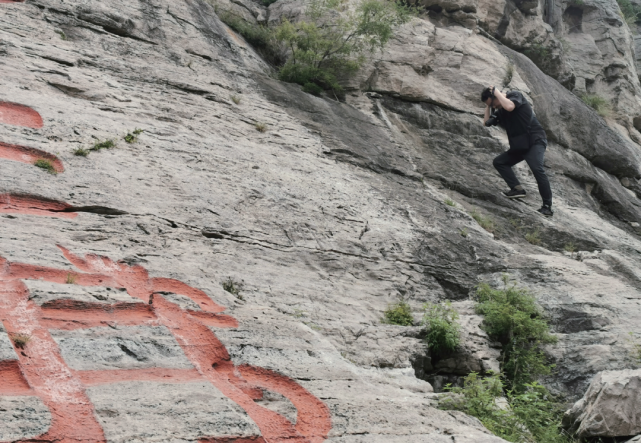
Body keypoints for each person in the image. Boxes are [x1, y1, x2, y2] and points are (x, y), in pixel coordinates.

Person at [481, 86, 553, 217]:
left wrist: (496, 92)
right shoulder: (500, 111)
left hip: (535, 140)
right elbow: (486, 123)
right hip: (521, 146)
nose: (494, 107)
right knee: (499, 162)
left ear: (497, 97)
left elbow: (510, 107)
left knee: (537, 168)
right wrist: (488, 106)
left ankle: (547, 206)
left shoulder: (514, 96)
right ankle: (517, 189)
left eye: (493, 104)